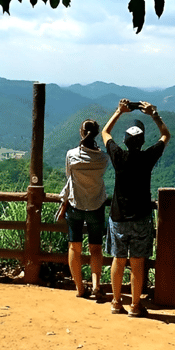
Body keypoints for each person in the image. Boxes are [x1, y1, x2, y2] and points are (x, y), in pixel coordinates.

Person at [102, 99, 170, 317]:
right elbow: (165, 136)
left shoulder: (118, 156)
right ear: (141, 141)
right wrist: (154, 114)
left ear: (125, 140)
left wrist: (119, 111)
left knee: (118, 260)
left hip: (118, 217)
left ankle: (115, 302)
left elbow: (104, 132)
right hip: (140, 217)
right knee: (137, 263)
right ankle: (135, 306)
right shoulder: (147, 157)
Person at [59, 119, 110, 300]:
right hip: (96, 205)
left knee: (75, 246)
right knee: (96, 248)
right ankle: (96, 285)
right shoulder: (103, 158)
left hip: (75, 205)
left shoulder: (71, 155)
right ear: (96, 134)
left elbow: (68, 175)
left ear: (81, 132)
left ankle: (80, 288)